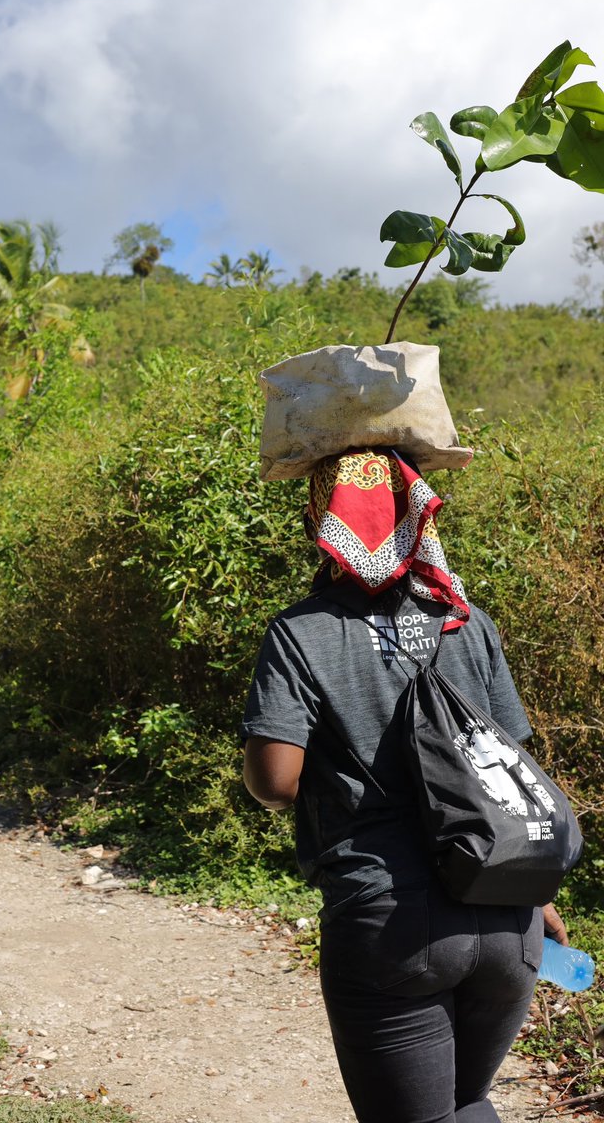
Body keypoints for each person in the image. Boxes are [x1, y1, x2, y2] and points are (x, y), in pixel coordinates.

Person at [241, 448, 567, 1123]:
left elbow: (275, 781)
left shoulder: (302, 632)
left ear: (321, 520)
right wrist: (543, 905)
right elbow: (516, 770)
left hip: (391, 922)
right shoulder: (468, 621)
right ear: (418, 516)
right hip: (510, 912)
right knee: (469, 1103)